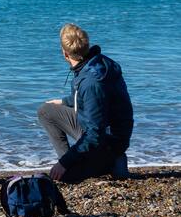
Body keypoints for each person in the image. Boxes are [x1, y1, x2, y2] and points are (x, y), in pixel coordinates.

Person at [38, 23, 133, 183]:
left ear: (65, 53)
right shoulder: (96, 63)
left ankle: (114, 161)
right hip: (105, 131)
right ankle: (71, 161)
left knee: (67, 177)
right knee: (46, 111)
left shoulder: (91, 81)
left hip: (108, 141)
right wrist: (63, 101)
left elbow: (95, 133)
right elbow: (91, 101)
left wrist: (65, 163)